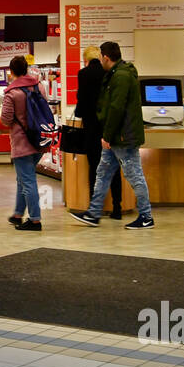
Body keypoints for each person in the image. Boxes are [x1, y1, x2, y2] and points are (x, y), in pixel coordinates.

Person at [69, 41, 154, 229]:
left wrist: (106, 136)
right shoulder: (116, 74)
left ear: (106, 58)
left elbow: (116, 108)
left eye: (101, 58)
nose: (100, 61)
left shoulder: (121, 76)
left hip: (123, 137)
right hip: (115, 136)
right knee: (103, 173)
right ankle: (94, 212)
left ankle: (146, 216)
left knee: (134, 175)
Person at [74, 45, 121, 218]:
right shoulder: (109, 74)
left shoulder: (83, 74)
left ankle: (95, 208)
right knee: (114, 168)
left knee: (94, 167)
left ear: (86, 59)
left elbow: (82, 99)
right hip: (108, 128)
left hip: (91, 127)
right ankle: (117, 207)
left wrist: (80, 113)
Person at [0, 55, 43, 231]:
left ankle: (35, 220)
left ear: (11, 72)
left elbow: (5, 119)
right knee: (23, 179)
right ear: (27, 69)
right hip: (38, 141)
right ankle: (18, 214)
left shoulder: (11, 93)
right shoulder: (38, 86)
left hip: (21, 142)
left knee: (28, 180)